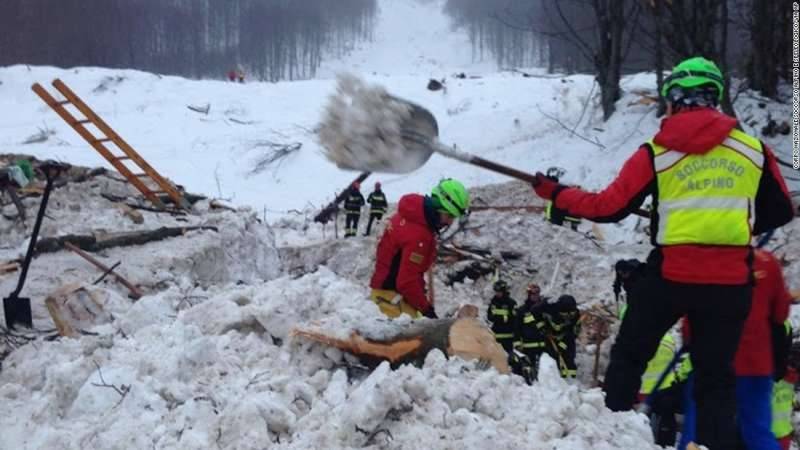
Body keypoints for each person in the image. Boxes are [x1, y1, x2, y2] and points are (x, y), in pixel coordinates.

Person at [531, 56, 795, 449]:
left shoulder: (657, 151)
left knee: (630, 357)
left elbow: (608, 207)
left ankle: (609, 434)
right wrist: (731, 221)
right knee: (715, 381)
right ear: (716, 99)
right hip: (729, 284)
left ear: (672, 101)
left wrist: (558, 194)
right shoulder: (753, 150)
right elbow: (780, 209)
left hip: (672, 275)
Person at [369, 179, 470, 319]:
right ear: (439, 207)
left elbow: (410, 270)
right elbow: (406, 281)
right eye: (449, 215)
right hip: (391, 301)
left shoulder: (410, 215)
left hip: (384, 294)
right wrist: (427, 310)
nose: (450, 222)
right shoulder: (419, 235)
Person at [514, 283, 549, 381]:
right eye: (533, 294)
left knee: (545, 370)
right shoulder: (522, 311)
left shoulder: (543, 309)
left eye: (537, 294)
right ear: (529, 295)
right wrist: (518, 344)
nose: (535, 296)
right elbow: (517, 329)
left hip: (543, 346)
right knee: (529, 370)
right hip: (528, 347)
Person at [545, 295, 581, 378]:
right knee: (554, 359)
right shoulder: (552, 313)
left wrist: (563, 344)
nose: (569, 315)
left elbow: (574, 333)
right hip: (552, 340)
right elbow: (548, 325)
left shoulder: (576, 316)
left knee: (569, 358)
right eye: (566, 313)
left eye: (571, 313)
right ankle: (559, 379)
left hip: (568, 340)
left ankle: (571, 379)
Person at [486, 279, 517, 354]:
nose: (497, 293)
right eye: (496, 292)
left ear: (504, 291)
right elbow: (489, 316)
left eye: (499, 292)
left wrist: (502, 319)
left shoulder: (511, 303)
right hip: (496, 335)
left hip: (508, 336)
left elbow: (515, 319)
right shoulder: (493, 302)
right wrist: (501, 318)